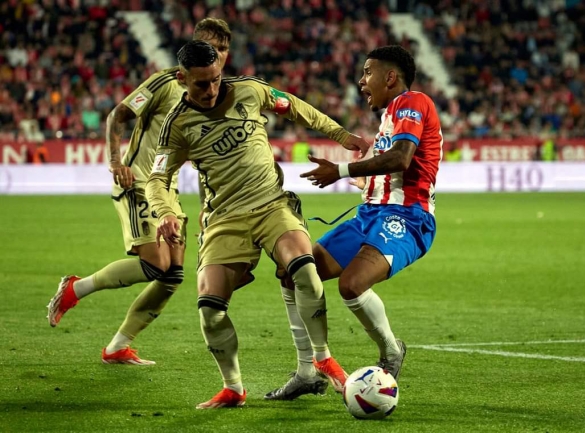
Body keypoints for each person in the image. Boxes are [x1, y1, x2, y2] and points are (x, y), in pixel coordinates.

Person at [146, 40, 370, 409]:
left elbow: (295, 107)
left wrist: (342, 136)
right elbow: (157, 178)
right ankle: (233, 387)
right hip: (226, 219)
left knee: (304, 269)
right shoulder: (177, 125)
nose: (211, 90)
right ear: (181, 78)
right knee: (210, 310)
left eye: (216, 79)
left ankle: (322, 356)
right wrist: (164, 212)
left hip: (271, 205)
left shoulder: (250, 91)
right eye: (200, 84)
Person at [46, 18, 234, 365]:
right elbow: (117, 116)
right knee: (155, 264)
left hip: (168, 191)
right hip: (137, 181)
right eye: (210, 46)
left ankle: (118, 346)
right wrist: (117, 162)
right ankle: (76, 288)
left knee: (173, 275)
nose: (216, 55)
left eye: (222, 49)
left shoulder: (217, 95)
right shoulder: (166, 83)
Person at [267, 45, 441, 399]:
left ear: (390, 77)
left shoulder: (413, 102)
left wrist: (341, 170)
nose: (362, 81)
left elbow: (402, 158)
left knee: (352, 284)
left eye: (368, 72)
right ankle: (307, 371)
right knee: (293, 272)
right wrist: (367, 182)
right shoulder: (390, 116)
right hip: (370, 214)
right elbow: (392, 163)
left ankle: (392, 351)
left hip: (408, 218)